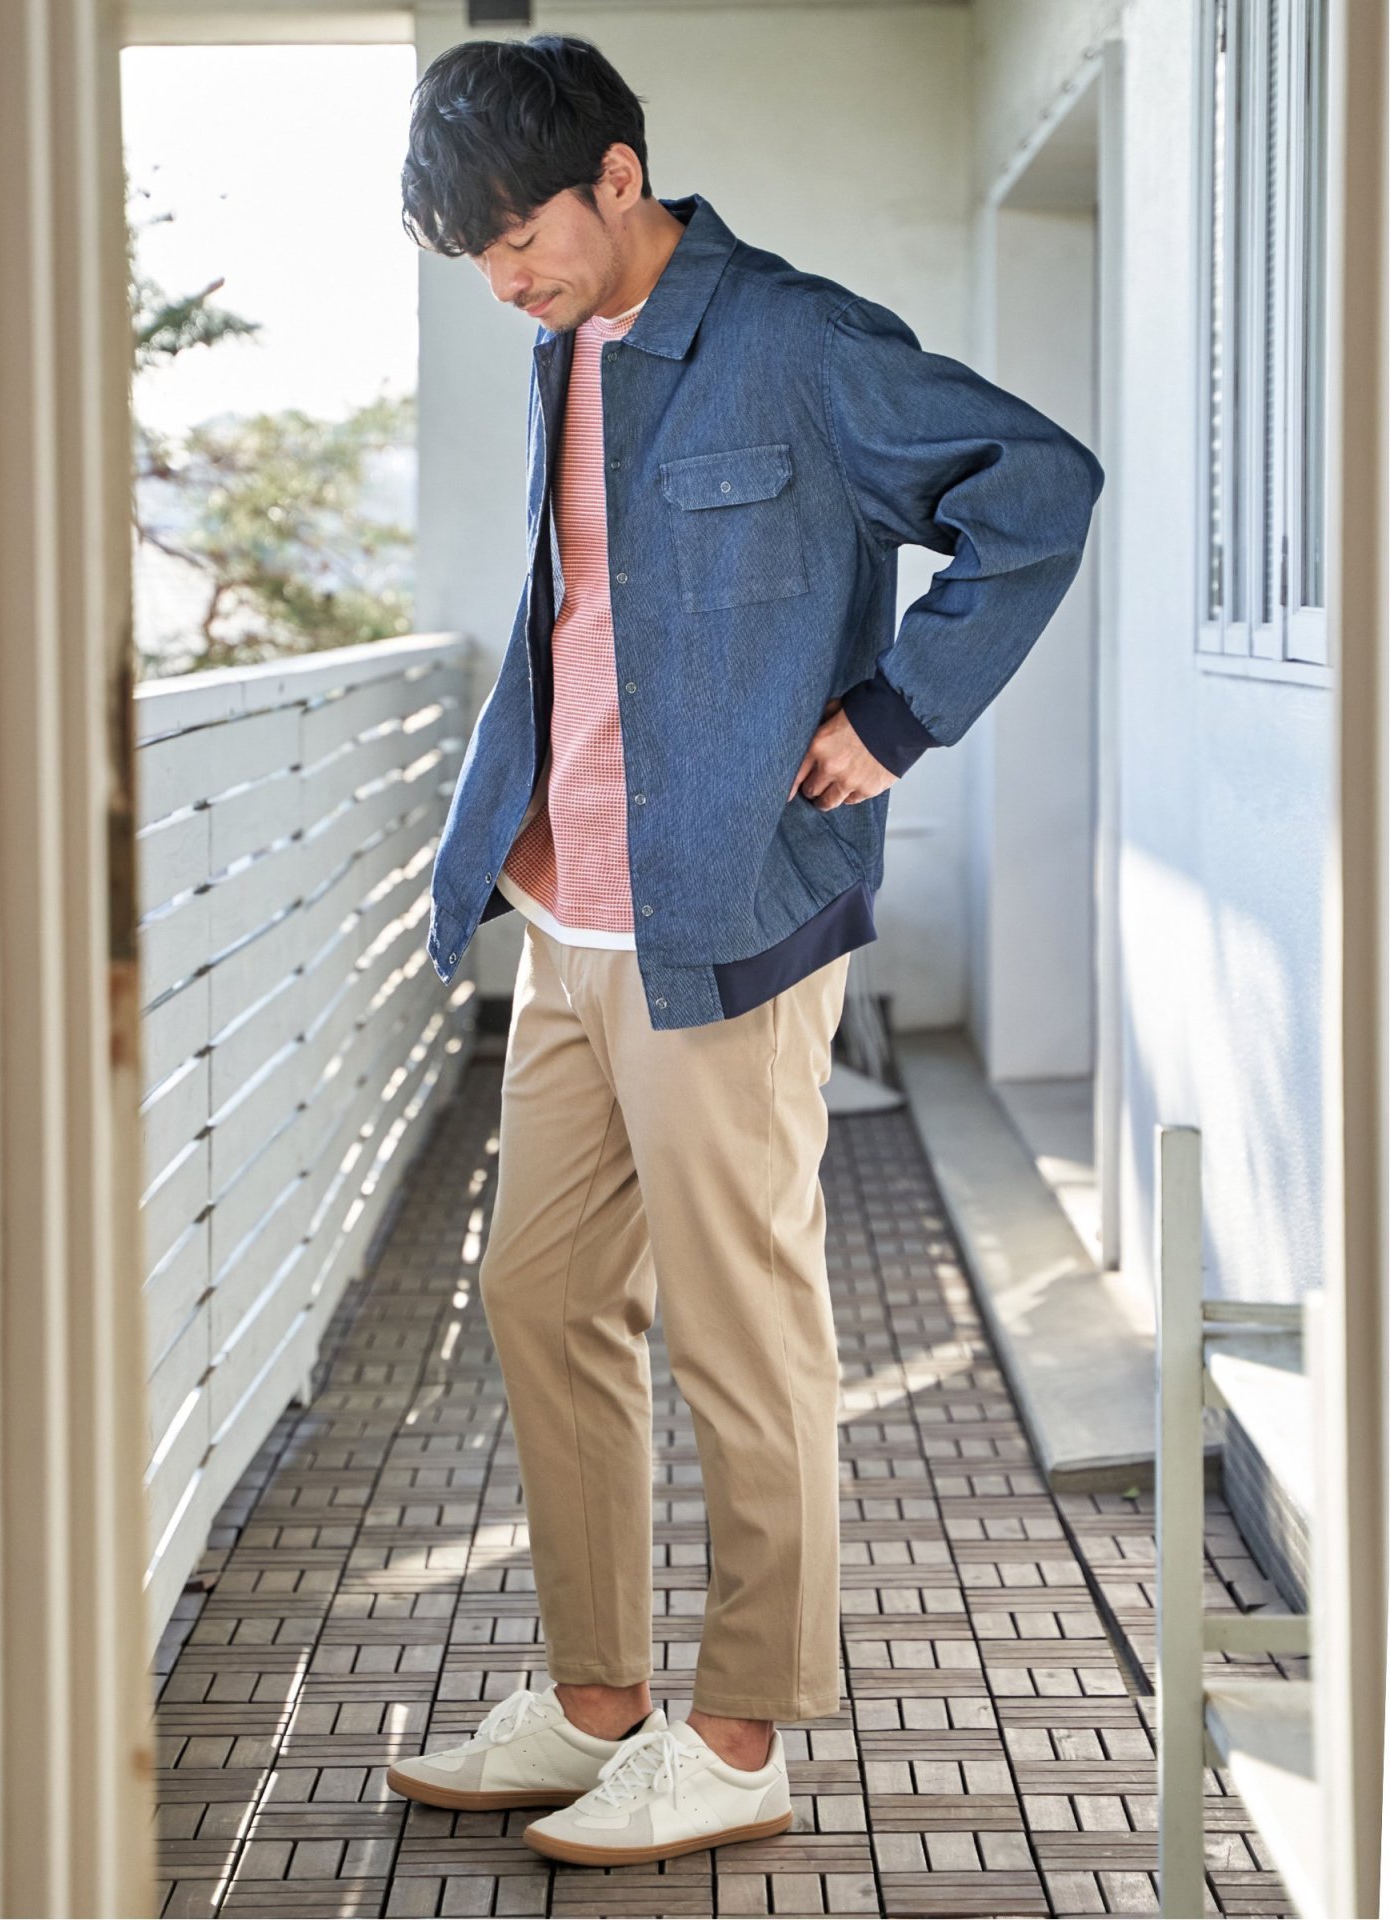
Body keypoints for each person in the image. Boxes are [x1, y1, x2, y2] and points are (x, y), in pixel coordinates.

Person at [386, 32, 1104, 1868]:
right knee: (543, 1295)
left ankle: (741, 1732)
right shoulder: (565, 347)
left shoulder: (795, 342)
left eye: (520, 234)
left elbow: (1036, 485)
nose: (506, 278)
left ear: (618, 177)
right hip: (567, 908)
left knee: (740, 1326)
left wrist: (900, 715)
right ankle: (597, 1699)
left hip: (726, 918)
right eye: (475, 257)